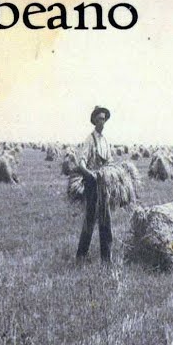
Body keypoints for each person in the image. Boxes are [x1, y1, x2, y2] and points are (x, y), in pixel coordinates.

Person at [74, 106, 114, 262]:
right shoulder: (90, 140)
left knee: (106, 222)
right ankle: (81, 257)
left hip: (104, 185)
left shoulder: (105, 141)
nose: (101, 122)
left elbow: (109, 161)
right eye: (99, 119)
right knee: (89, 222)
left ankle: (106, 259)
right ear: (94, 121)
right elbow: (81, 163)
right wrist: (89, 174)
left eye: (103, 119)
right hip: (92, 185)